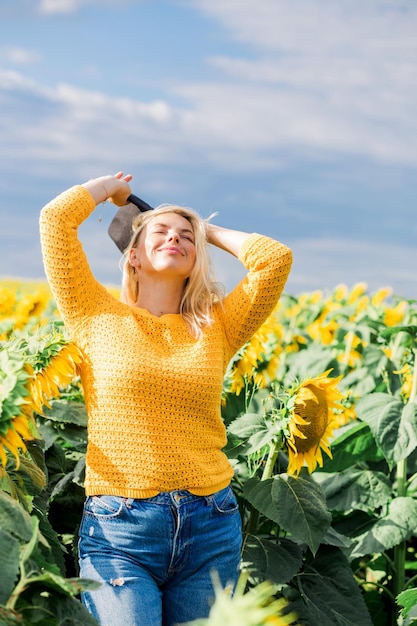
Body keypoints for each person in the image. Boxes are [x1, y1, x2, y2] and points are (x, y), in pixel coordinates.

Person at [39, 171, 293, 626]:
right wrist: (113, 191)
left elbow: (274, 259)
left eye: (185, 238)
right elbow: (56, 220)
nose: (175, 237)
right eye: (161, 231)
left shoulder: (217, 327)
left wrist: (202, 227)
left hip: (211, 522)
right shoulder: (93, 313)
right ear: (132, 256)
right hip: (121, 527)